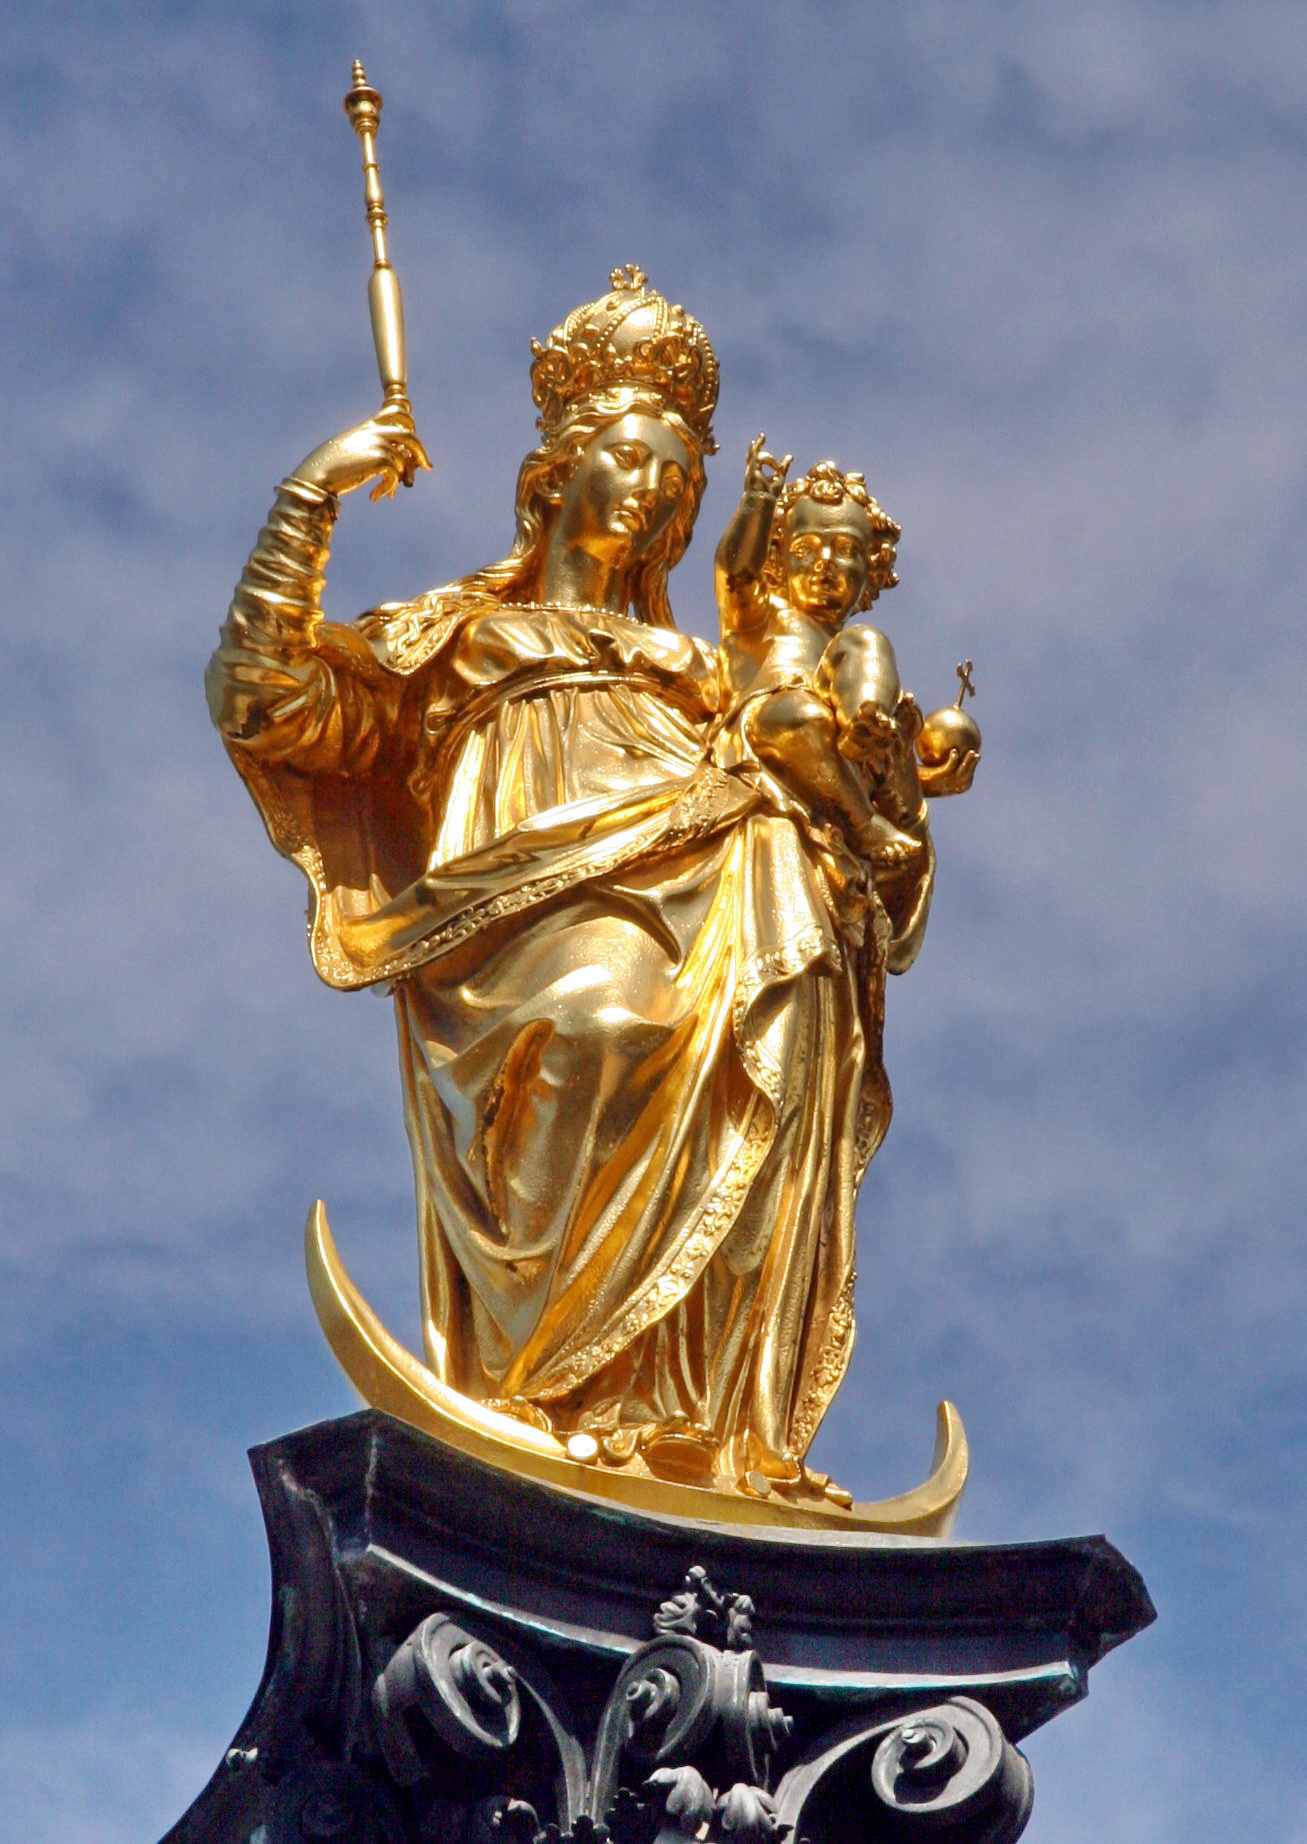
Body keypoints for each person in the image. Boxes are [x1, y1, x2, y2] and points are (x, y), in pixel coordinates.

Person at [206, 267, 934, 1502]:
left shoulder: (701, 672)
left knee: (765, 1058)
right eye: (631, 459)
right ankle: (545, 1386)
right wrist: (308, 496)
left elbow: (840, 812)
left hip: (729, 906)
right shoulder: (455, 638)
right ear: (553, 474)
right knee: (601, 1023)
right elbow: (266, 699)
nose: (655, 493)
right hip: (524, 917)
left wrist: (886, 798)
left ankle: (698, 1424)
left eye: (679, 481)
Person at [714, 444, 927, 871]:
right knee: (798, 715)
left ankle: (863, 721)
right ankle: (862, 823)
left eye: (845, 549)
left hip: (834, 742)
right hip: (769, 724)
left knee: (867, 641)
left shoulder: (853, 648)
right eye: (804, 548)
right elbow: (736, 573)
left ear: (872, 569)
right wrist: (758, 503)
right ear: (777, 558)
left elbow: (904, 800)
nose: (824, 563)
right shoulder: (761, 615)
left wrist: (930, 771)